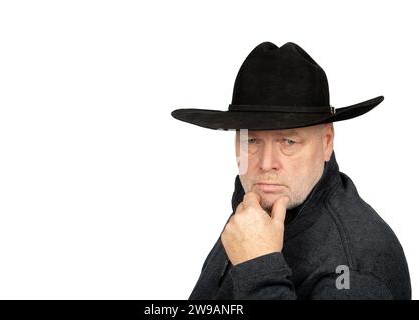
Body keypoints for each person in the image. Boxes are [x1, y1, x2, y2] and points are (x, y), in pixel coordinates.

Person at [171, 42, 411, 299]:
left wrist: (258, 268)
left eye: (288, 142)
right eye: (252, 140)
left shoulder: (354, 268)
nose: (265, 163)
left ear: (327, 141)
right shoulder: (256, 212)